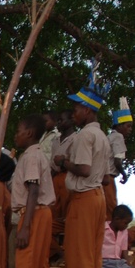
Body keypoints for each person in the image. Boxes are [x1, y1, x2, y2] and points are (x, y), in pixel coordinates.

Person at [61, 63, 112, 268]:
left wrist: (63, 162)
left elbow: (83, 168)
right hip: (98, 197)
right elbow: (104, 175)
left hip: (84, 199)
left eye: (76, 109)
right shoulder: (103, 135)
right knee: (93, 257)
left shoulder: (84, 137)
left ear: (87, 110)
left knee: (79, 258)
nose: (74, 113)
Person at [11, 114, 71, 268]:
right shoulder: (32, 155)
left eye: (18, 131)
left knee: (27, 265)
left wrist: (26, 226)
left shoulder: (31, 157)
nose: (15, 136)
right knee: (39, 267)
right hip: (37, 213)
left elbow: (33, 190)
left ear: (28, 133)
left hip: (34, 213)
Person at [49, 108, 77, 259]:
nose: (59, 123)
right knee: (53, 213)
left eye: (62, 120)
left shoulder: (76, 139)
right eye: (58, 120)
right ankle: (56, 252)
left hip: (68, 176)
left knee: (67, 214)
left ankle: (66, 251)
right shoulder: (55, 141)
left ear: (71, 121)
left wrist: (63, 162)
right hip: (55, 178)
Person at [105, 97, 133, 220]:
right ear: (120, 125)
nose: (130, 130)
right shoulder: (118, 138)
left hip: (100, 178)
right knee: (111, 210)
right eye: (128, 126)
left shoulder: (109, 137)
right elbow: (117, 161)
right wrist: (124, 174)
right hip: (109, 178)